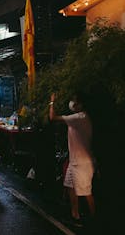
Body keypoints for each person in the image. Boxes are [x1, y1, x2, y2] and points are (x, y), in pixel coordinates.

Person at [49, 92, 95, 225]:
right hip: (74, 161)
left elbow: (52, 117)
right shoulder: (80, 117)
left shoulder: (79, 118)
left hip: (82, 163)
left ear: (81, 104)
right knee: (70, 186)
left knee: (86, 192)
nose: (72, 103)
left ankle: (94, 219)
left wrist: (52, 102)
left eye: (75, 101)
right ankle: (75, 215)